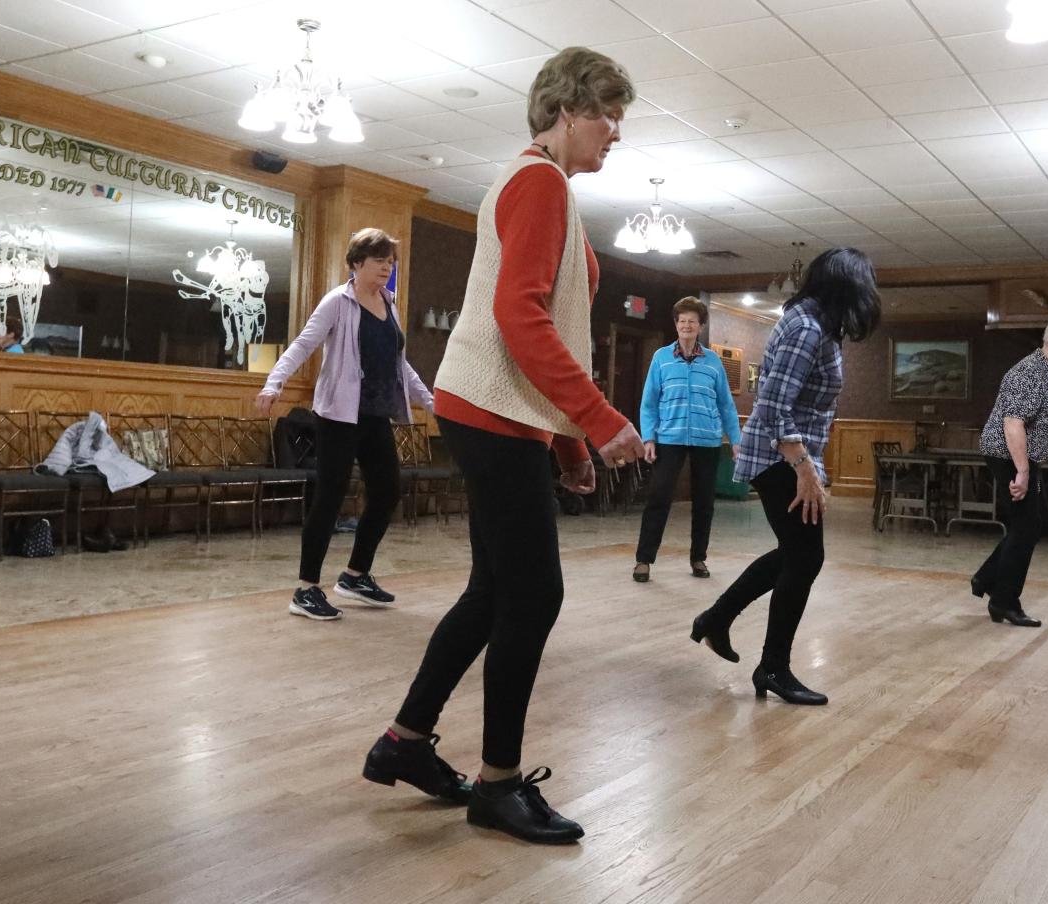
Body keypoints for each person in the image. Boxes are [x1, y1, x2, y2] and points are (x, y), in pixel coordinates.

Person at [360, 47, 644, 845]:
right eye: (605, 114)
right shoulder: (538, 181)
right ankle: (498, 784)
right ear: (563, 111)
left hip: (497, 413)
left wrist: (566, 447)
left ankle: (406, 742)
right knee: (534, 594)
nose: (615, 132)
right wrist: (598, 420)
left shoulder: (549, 188)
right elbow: (522, 320)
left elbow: (551, 320)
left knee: (494, 591)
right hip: (487, 411)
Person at [689, 248, 880, 706]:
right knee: (805, 556)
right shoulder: (804, 327)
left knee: (797, 554)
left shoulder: (823, 328)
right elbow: (773, 405)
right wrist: (803, 469)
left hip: (793, 456)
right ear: (844, 286)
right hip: (780, 458)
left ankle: (717, 620)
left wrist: (810, 465)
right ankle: (771, 665)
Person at [256, 228, 433, 621]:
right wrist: (274, 383)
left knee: (387, 492)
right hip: (338, 416)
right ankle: (305, 590)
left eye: (390, 262)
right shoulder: (338, 301)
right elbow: (303, 344)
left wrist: (430, 399)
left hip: (375, 415)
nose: (387, 268)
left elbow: (399, 364)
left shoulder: (389, 304)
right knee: (330, 498)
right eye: (379, 261)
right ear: (356, 264)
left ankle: (355, 575)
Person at [971, 313, 1048, 627]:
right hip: (1009, 456)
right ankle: (1004, 602)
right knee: (1027, 527)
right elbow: (1013, 424)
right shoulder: (1028, 372)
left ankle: (986, 578)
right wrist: (1023, 472)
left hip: (1024, 458)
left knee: (1037, 523)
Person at [633, 296, 741, 582]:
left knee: (704, 501)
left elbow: (727, 405)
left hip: (707, 440)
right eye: (682, 321)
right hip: (669, 437)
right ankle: (644, 560)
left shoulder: (714, 362)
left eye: (692, 321)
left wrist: (736, 439)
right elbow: (649, 404)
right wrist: (649, 438)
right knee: (658, 496)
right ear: (676, 325)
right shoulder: (661, 358)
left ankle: (698, 559)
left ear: (700, 325)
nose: (686, 326)